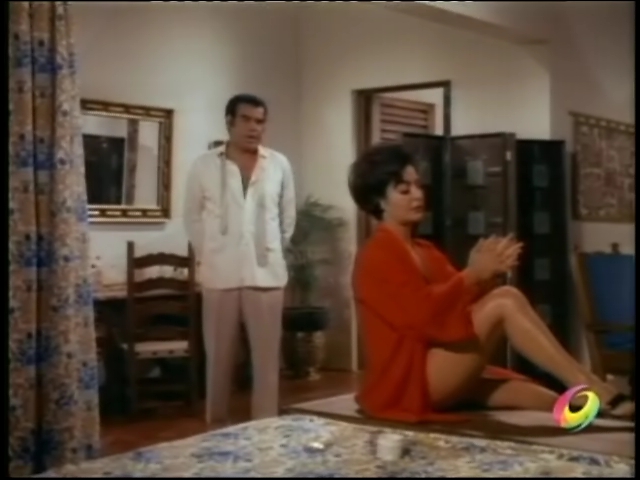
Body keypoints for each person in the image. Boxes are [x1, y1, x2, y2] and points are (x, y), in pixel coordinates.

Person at [348, 143, 634, 423]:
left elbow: (460, 305)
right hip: (410, 380)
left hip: (441, 364)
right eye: (404, 190)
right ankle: (591, 384)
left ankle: (600, 413)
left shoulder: (425, 250)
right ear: (378, 201)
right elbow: (423, 317)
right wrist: (473, 274)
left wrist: (486, 275)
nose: (418, 195)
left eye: (418, 186)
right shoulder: (376, 255)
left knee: (541, 398)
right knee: (505, 300)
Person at [183, 94, 296, 423]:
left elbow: (287, 218)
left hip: (266, 275)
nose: (253, 127)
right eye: (246, 119)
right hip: (220, 275)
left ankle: (265, 429)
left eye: (259, 121)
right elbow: (192, 217)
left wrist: (271, 249)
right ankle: (216, 426)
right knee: (218, 359)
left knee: (266, 361)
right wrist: (211, 252)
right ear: (229, 122)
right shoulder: (204, 165)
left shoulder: (278, 164)